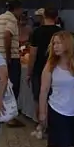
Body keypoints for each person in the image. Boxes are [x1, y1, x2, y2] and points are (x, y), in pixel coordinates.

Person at [26, 8, 62, 139]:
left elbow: (33, 54)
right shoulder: (61, 33)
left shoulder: (37, 32)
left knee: (39, 98)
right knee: (54, 99)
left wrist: (29, 72)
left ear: (43, 16)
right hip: (57, 71)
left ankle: (41, 126)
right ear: (56, 17)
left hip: (39, 70)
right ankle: (52, 128)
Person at [0, 0, 23, 127]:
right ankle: (10, 117)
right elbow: (7, 35)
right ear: (17, 9)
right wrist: (9, 57)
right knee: (12, 86)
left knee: (0, 86)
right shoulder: (12, 19)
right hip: (8, 58)